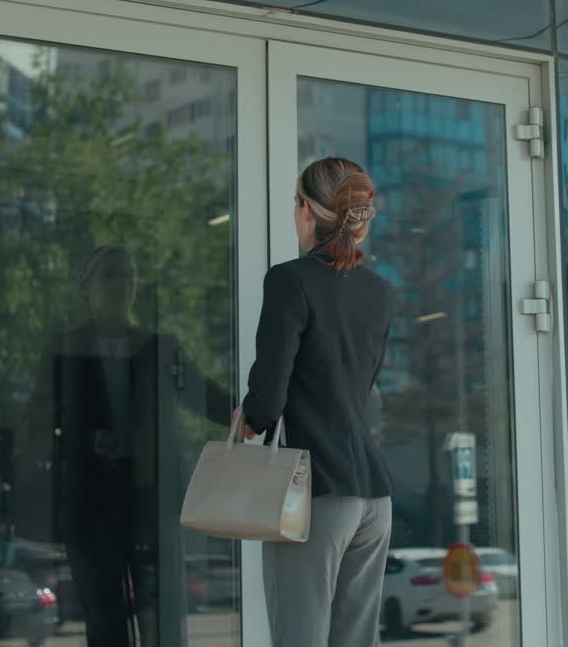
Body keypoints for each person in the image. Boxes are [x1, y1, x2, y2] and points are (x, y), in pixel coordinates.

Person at [22, 245, 232, 647]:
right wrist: (80, 443)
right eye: (111, 275)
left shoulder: (159, 347)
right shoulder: (64, 349)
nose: (124, 284)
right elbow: (38, 420)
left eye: (129, 275)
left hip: (148, 499)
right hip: (86, 502)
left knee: (157, 609)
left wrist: (256, 415)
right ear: (86, 287)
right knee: (103, 614)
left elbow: (204, 396)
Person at [241, 157, 395, 647]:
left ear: (306, 210)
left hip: (314, 494)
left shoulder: (290, 280)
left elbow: (269, 392)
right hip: (373, 495)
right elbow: (364, 382)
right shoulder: (379, 290)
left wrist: (250, 419)